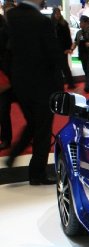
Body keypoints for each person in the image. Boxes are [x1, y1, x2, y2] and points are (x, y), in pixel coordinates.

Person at [4, 0, 63, 184]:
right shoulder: (41, 21)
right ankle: (37, 174)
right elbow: (53, 54)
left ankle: (14, 154)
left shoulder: (11, 17)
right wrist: (62, 82)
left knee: (33, 124)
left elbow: (6, 51)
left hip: (20, 84)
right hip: (42, 85)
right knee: (43, 130)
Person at [51, 7, 75, 88]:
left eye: (59, 13)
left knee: (65, 67)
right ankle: (59, 85)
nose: (57, 15)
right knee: (57, 68)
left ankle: (70, 84)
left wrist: (68, 48)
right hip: (54, 49)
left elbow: (68, 37)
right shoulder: (50, 23)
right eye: (56, 13)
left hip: (62, 49)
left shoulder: (64, 23)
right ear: (54, 14)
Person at [0, 9, 13, 151]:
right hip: (8, 76)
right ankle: (5, 138)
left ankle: (6, 138)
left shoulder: (5, 32)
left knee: (3, 110)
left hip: (8, 77)